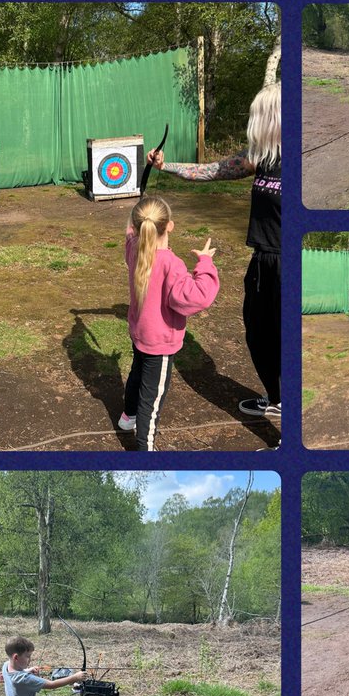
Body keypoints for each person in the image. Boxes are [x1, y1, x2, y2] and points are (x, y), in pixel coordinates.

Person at [149, 84, 283, 425]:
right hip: (262, 261)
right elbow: (213, 170)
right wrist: (166, 167)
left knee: (287, 341)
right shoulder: (263, 157)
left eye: (261, 114)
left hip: (288, 263)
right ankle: (279, 400)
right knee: (258, 334)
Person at [118, 196, 219, 451]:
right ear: (170, 226)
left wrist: (138, 213)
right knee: (151, 402)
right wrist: (205, 263)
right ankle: (145, 449)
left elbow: (130, 231)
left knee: (136, 374)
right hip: (160, 344)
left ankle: (127, 418)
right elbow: (196, 297)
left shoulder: (133, 248)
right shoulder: (171, 264)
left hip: (140, 334)